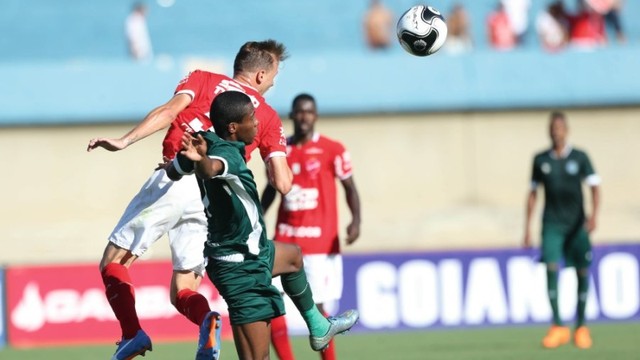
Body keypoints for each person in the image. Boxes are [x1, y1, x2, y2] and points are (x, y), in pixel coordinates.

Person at [86, 40, 293, 360]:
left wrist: (125, 141)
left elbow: (169, 112)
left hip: (176, 177)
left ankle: (132, 333)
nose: (275, 82)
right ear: (261, 75)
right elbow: (282, 182)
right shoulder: (265, 117)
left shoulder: (202, 79)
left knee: (113, 261)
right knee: (183, 288)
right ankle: (207, 320)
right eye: (275, 75)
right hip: (210, 200)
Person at [166, 91, 359, 360]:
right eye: (251, 118)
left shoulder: (209, 141)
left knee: (292, 257)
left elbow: (173, 171)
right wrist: (201, 162)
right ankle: (317, 326)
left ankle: (319, 326)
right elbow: (211, 169)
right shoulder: (229, 157)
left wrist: (186, 160)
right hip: (241, 268)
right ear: (233, 128)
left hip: (252, 250)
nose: (257, 123)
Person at [261, 94, 361, 360]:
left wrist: (356, 221)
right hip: (285, 238)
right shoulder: (280, 152)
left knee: (317, 309)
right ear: (292, 116)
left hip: (320, 243)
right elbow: (271, 190)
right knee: (270, 302)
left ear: (315, 116)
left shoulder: (333, 149)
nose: (304, 117)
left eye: (309, 112)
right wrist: (257, 218)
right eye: (299, 112)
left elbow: (350, 188)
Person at [524, 111, 601, 350]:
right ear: (549, 131)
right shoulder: (540, 160)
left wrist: (594, 216)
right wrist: (527, 228)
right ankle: (558, 326)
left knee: (582, 271)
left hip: (577, 224)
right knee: (550, 267)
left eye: (559, 127)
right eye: (552, 128)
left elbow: (595, 187)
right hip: (552, 224)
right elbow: (533, 193)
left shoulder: (580, 157)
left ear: (566, 130)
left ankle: (581, 326)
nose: (555, 131)